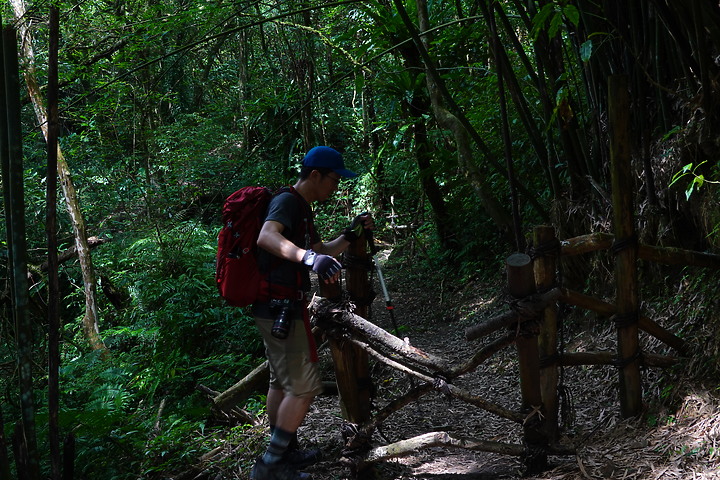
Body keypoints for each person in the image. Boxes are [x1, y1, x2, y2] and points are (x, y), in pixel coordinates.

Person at [250, 146, 373, 480]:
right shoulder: (287, 201)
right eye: (334, 179)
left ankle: (284, 454)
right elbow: (266, 237)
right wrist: (307, 259)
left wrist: (350, 234)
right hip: (278, 307)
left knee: (282, 382)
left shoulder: (303, 209)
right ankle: (271, 466)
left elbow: (321, 252)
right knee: (304, 388)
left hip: (279, 306)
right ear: (315, 175)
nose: (336, 186)